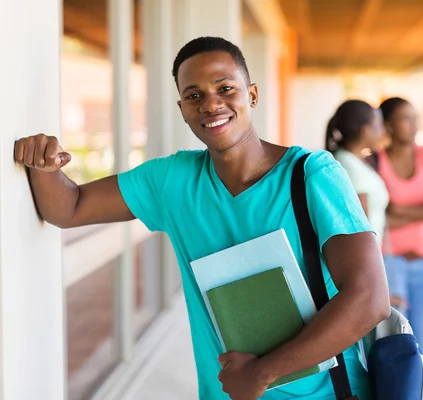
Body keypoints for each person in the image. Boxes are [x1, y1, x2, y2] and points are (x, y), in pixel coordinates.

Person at [13, 37, 390, 400]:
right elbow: (70, 207)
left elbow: (369, 299)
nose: (211, 104)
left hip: (325, 394)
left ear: (252, 95)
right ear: (182, 109)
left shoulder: (312, 175)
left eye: (225, 88)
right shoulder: (172, 181)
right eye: (194, 95)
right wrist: (42, 164)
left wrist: (261, 374)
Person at [376, 97, 423, 359]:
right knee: (398, 342)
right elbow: (377, 217)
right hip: (389, 263)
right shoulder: (375, 162)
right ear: (389, 125)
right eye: (406, 119)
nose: (414, 125)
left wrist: (398, 213)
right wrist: (419, 212)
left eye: (415, 118)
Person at [325, 100, 389, 247]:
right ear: (366, 130)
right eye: (379, 126)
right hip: (367, 257)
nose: (382, 132)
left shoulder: (351, 161)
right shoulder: (350, 168)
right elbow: (360, 232)